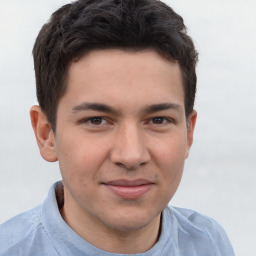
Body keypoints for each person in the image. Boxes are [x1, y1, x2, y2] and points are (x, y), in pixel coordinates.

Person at [0, 0, 235, 255]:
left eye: (158, 120)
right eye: (96, 120)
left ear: (188, 133)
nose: (131, 155)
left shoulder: (209, 243)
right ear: (46, 134)